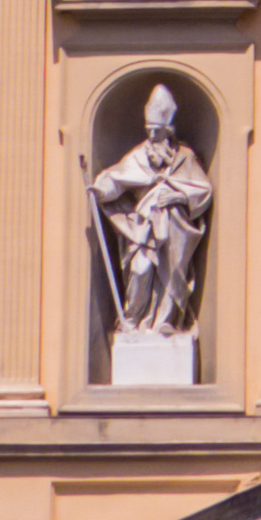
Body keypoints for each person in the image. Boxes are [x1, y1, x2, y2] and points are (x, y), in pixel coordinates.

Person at [92, 87, 214, 343]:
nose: (151, 135)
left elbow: (203, 190)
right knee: (140, 270)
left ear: (168, 131)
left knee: (171, 275)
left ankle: (164, 322)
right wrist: (101, 190)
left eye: (156, 131)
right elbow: (117, 178)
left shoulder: (185, 157)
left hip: (175, 229)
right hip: (144, 227)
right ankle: (133, 320)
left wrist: (179, 197)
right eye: (148, 129)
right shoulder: (139, 155)